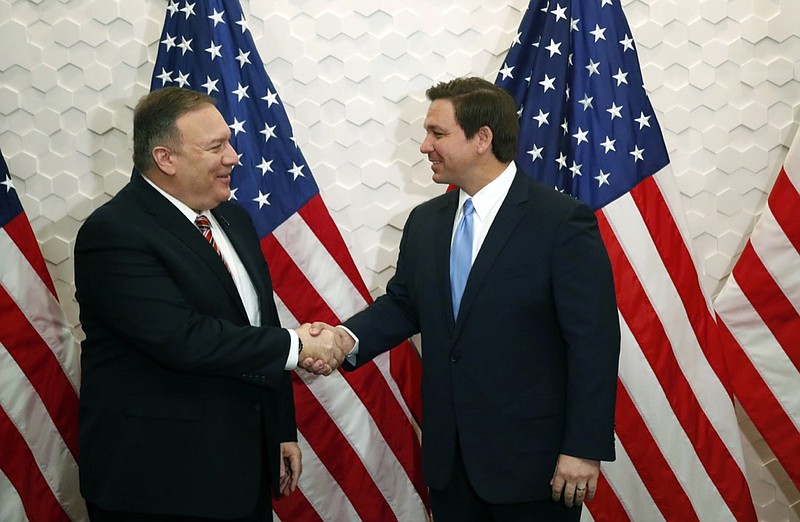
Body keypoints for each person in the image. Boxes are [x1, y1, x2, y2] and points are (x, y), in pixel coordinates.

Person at [309, 77, 620, 521]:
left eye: (437, 134)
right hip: (450, 466)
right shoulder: (426, 222)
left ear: (482, 139)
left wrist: (583, 448)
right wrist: (342, 338)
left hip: (535, 467)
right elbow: (404, 305)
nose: (423, 146)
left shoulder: (561, 222)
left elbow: (594, 341)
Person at [74, 87, 344, 522]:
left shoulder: (234, 219)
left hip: (242, 471)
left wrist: (277, 429)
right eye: (216, 146)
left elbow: (259, 324)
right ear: (166, 159)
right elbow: (183, 339)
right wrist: (297, 346)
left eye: (229, 142)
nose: (234, 156)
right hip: (161, 486)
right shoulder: (114, 234)